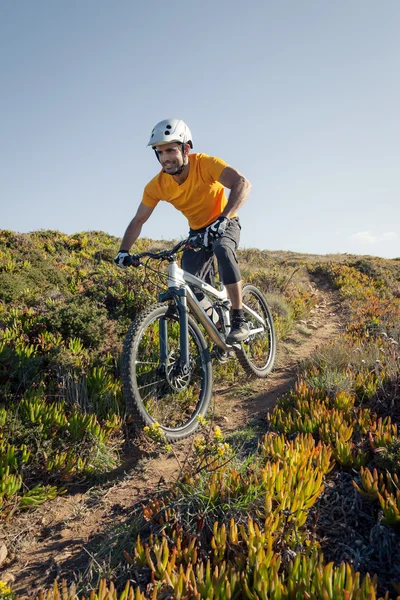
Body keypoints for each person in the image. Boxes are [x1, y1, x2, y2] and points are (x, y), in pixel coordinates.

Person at [114, 118, 252, 343]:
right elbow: (138, 220)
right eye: (159, 152)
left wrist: (224, 218)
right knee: (188, 283)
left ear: (186, 148)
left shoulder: (205, 164)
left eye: (170, 150)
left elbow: (242, 183)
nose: (165, 158)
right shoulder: (156, 185)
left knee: (223, 248)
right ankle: (219, 328)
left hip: (225, 221)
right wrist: (123, 251)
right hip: (197, 232)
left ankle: (239, 320)